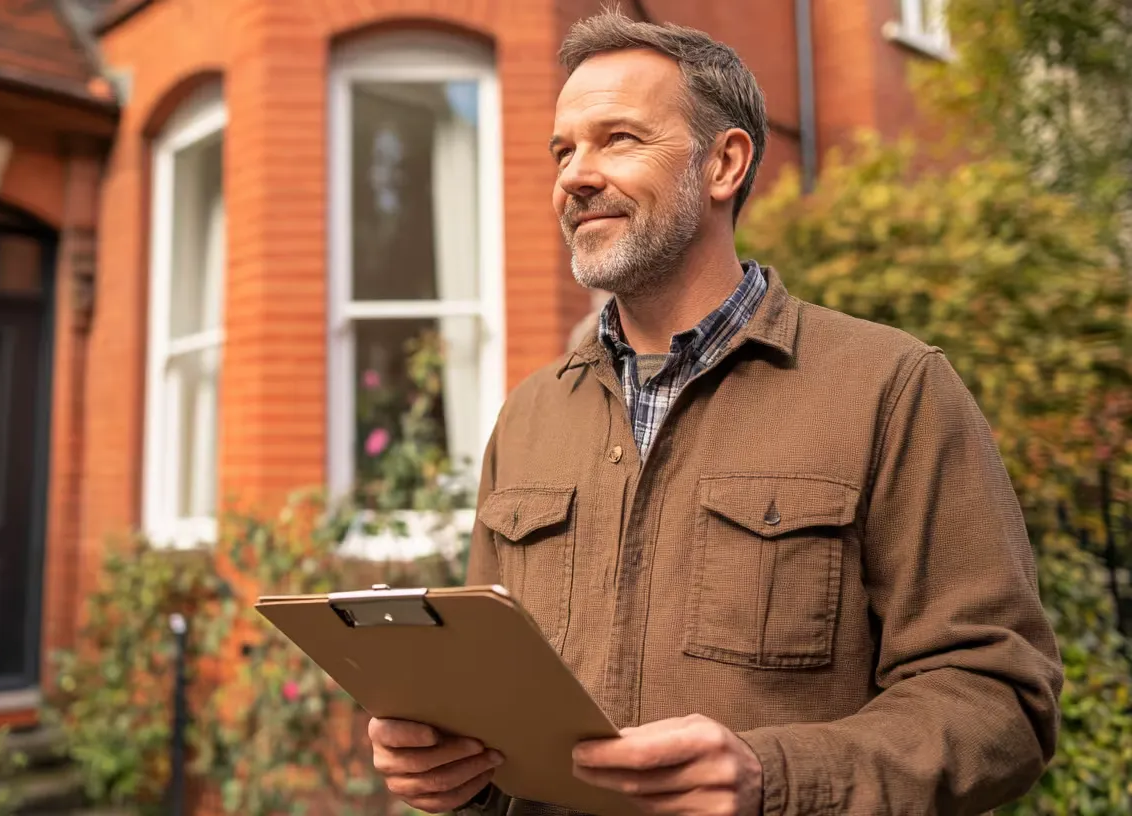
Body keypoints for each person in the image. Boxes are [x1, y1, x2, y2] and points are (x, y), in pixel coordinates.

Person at [366, 8, 1063, 816]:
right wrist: (450, 773)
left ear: (724, 163)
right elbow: (496, 713)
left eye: (617, 139)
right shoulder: (527, 418)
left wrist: (776, 779)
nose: (574, 176)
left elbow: (1000, 698)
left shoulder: (892, 388)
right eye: (563, 150)